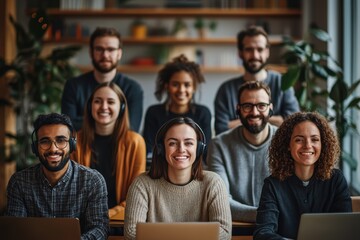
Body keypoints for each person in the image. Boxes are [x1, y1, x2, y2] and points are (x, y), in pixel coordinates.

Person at [124, 117, 232, 240]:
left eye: (189, 143)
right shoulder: (142, 184)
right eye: (172, 143)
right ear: (161, 148)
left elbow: (224, 233)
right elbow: (131, 234)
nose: (181, 149)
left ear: (199, 148)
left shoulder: (214, 183)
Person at [5, 113, 108, 240]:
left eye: (61, 140)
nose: (53, 149)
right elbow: (15, 232)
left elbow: (100, 229)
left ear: (72, 144)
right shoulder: (19, 183)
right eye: (45, 141)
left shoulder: (93, 181)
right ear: (35, 148)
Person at [254, 112, 352, 240]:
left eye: (315, 139)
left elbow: (346, 231)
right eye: (299, 140)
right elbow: (262, 233)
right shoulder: (273, 185)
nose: (307, 145)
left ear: (323, 144)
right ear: (288, 145)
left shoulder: (336, 180)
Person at [71, 82, 146, 219]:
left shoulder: (135, 142)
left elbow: (137, 194)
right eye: (98, 101)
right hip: (84, 220)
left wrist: (108, 214)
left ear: (122, 107)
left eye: (111, 102)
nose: (104, 107)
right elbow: (72, 190)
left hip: (122, 220)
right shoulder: (75, 141)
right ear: (90, 107)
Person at [207, 80, 277, 222]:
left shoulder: (287, 142)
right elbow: (221, 202)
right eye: (247, 106)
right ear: (238, 108)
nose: (254, 112)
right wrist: (267, 215)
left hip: (280, 228)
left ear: (270, 108)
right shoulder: (219, 145)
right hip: (235, 227)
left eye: (261, 106)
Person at [214, 25, 299, 135]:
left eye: (260, 49)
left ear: (267, 52)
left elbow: (294, 124)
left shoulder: (282, 82)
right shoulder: (226, 90)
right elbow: (221, 129)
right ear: (240, 53)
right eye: (249, 49)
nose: (255, 55)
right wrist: (274, 119)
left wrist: (242, 120)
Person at [61, 27, 143, 132]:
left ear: (119, 53)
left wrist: (86, 121)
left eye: (111, 49)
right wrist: (112, 121)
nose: (105, 55)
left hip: (119, 148)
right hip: (82, 147)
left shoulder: (133, 88)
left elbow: (130, 130)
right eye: (99, 49)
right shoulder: (73, 86)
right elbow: (68, 127)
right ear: (91, 52)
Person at [142, 54, 211, 159]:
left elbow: (206, 153)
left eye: (187, 85)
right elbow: (148, 151)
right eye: (175, 84)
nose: (181, 90)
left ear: (194, 87)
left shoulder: (203, 113)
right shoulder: (153, 113)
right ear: (167, 86)